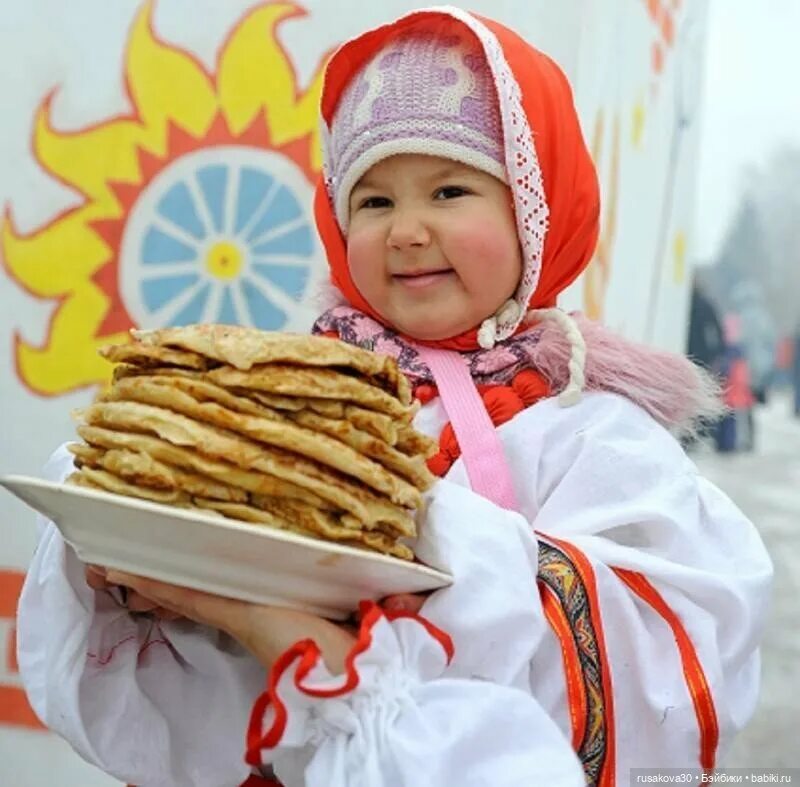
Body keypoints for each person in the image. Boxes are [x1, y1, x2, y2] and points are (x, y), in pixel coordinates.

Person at [16, 9, 772, 787]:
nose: (406, 230)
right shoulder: (297, 404)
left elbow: (667, 654)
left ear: (536, 213)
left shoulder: (589, 428)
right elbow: (195, 710)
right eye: (373, 202)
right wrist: (146, 574)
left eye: (449, 189)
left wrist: (409, 529)